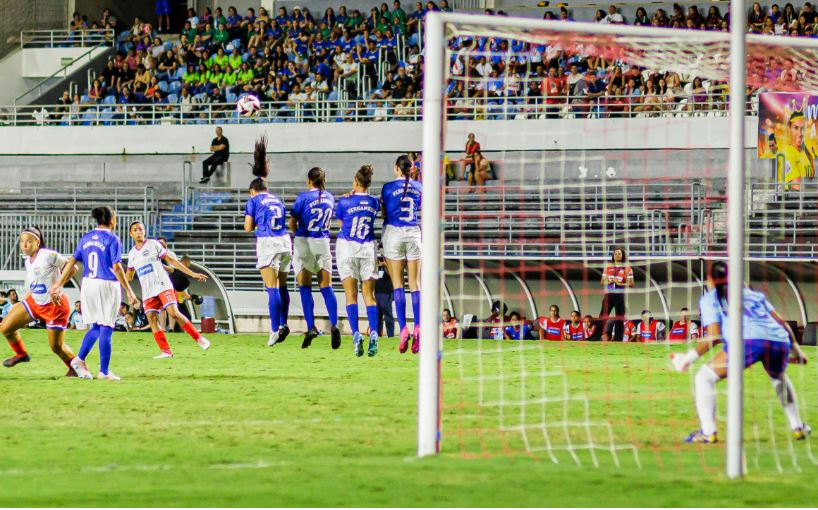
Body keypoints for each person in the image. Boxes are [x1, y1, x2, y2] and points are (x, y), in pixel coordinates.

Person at [670, 261, 811, 443]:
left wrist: (688, 358)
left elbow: (713, 336)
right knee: (779, 378)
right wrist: (797, 352)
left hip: (748, 342)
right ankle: (798, 427)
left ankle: (708, 432)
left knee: (704, 377)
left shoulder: (710, 298)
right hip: (778, 341)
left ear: (711, 279)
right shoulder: (752, 294)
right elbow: (782, 323)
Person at [50, 207, 140, 381]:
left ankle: (78, 360)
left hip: (88, 284)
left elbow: (72, 261)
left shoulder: (86, 237)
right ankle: (104, 372)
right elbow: (116, 267)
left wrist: (59, 283)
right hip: (106, 284)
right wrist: (129, 290)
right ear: (112, 219)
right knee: (107, 326)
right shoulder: (112, 238)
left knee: (97, 327)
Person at [0, 227, 83, 377]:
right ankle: (21, 354)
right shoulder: (28, 261)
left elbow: (73, 267)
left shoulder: (48, 255)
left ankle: (77, 369)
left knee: (56, 347)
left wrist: (58, 285)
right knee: (6, 327)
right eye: (22, 241)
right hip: (34, 303)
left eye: (29, 241)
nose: (24, 245)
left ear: (37, 242)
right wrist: (24, 302)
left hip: (54, 306)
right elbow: (38, 284)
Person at [126, 220, 211, 358]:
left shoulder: (153, 244)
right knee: (151, 318)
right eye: (135, 230)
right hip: (148, 291)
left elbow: (172, 261)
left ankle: (199, 338)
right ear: (131, 234)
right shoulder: (131, 255)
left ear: (145, 231)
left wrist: (193, 274)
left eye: (141, 229)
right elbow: (129, 276)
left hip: (162, 285)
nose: (138, 232)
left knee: (173, 313)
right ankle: (166, 351)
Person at [243, 138, 292, 347]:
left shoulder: (253, 200)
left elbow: (247, 227)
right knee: (282, 286)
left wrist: (255, 225)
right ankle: (283, 323)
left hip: (268, 242)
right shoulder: (277, 199)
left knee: (271, 287)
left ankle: (274, 330)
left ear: (253, 190)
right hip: (284, 241)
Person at [290, 167, 340, 349]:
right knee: (326, 287)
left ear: (309, 180)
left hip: (305, 240)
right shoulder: (329, 197)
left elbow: (292, 223)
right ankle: (334, 324)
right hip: (323, 241)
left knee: (305, 287)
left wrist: (299, 237)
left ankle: (311, 326)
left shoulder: (303, 198)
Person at [335, 165, 381, 357]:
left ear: (355, 181)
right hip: (368, 249)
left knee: (350, 295)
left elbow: (341, 223)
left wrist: (350, 194)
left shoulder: (344, 202)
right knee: (369, 296)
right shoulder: (374, 202)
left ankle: (355, 335)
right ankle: (374, 333)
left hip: (348, 248)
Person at [381, 154, 422, 353]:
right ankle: (419, 326)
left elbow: (384, 212)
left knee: (398, 284)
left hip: (394, 233)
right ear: (411, 169)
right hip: (413, 232)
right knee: (415, 284)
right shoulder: (420, 187)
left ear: (397, 168)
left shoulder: (388, 187)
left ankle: (403, 328)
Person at [599, 247, 634, 341]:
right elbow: (602, 282)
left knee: (619, 317)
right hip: (609, 294)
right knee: (603, 316)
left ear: (622, 255)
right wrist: (609, 282)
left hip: (620, 295)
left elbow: (631, 283)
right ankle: (596, 337)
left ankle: (618, 339)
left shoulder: (627, 267)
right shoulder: (608, 266)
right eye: (615, 253)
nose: (617, 255)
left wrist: (619, 283)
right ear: (613, 256)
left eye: (619, 253)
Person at [779, 110, 815, 190]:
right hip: (793, 201)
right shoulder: (787, 153)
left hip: (808, 199)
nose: (799, 133)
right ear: (789, 129)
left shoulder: (806, 152)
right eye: (796, 128)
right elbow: (797, 185)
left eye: (802, 128)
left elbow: (813, 178)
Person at [374, 249, 395, 338]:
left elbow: (393, 274)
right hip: (376, 292)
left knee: (388, 316)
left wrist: (386, 265)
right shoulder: (375, 262)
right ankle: (378, 335)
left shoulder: (391, 261)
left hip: (386, 293)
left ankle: (390, 335)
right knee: (377, 316)